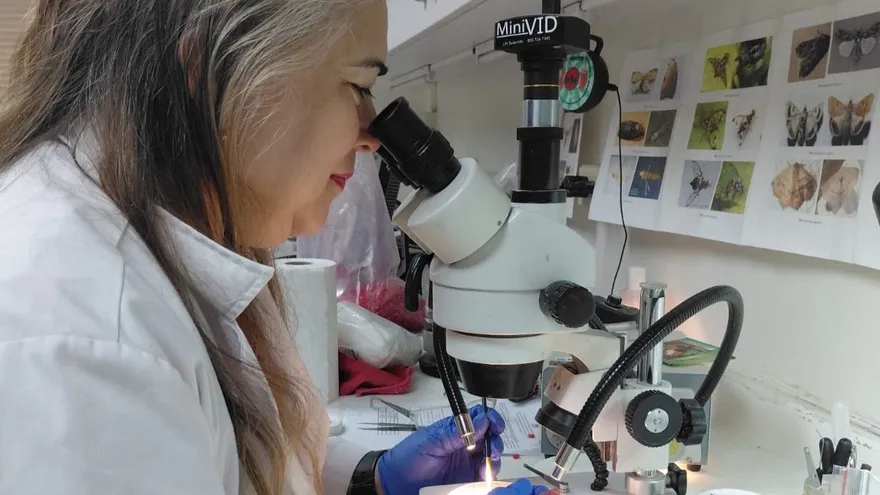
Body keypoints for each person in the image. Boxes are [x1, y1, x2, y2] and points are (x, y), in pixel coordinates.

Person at [0, 1, 548, 494]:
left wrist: (369, 480)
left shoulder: (175, 234)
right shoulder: (87, 330)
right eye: (358, 85)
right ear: (210, 69)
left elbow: (225, 457)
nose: (372, 136)